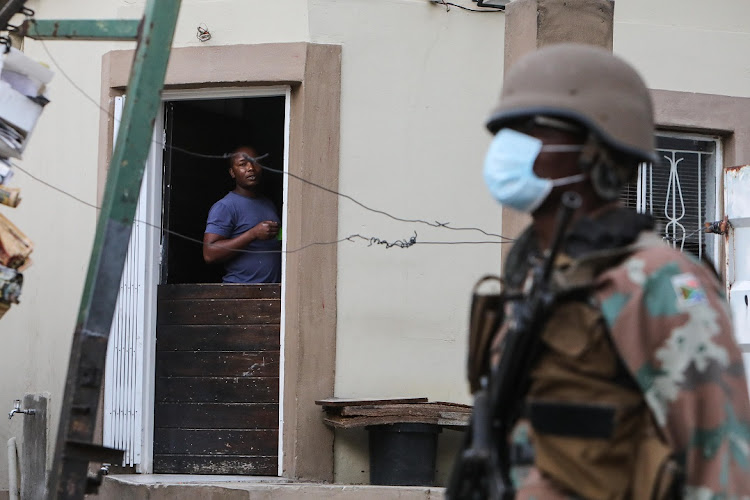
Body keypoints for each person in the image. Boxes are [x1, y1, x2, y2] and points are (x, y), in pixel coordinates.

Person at [458, 43, 750, 499]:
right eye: (506, 131)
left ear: (596, 151)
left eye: (533, 130)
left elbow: (718, 465)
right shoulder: (538, 274)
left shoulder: (660, 281)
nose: (506, 148)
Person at [203, 146, 281, 283]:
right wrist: (253, 234)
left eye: (255, 162)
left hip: (273, 293)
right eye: (242, 164)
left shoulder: (268, 204)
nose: (251, 168)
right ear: (232, 172)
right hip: (241, 294)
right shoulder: (225, 206)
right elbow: (209, 254)